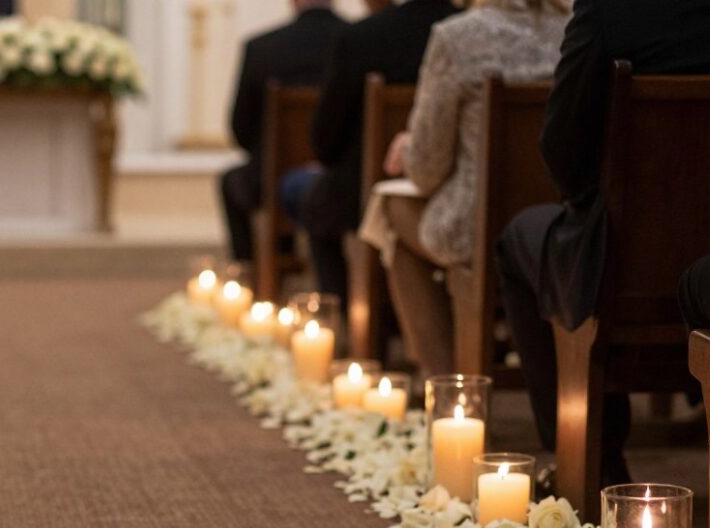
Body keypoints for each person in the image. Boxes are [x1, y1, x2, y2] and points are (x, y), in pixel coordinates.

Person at [495, 0, 710, 486]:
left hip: (623, 274)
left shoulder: (609, 12)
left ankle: (590, 465)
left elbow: (562, 155)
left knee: (517, 240)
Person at [360, 0, 568, 377]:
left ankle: (444, 384)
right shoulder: (575, 31)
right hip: (562, 223)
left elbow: (426, 169)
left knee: (389, 209)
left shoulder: (458, 38)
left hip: (477, 230)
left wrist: (407, 147)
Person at [280, 0, 460, 309]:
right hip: (456, 185)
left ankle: (345, 317)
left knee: (316, 200)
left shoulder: (361, 38)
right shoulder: (468, 32)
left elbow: (325, 138)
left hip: (368, 185)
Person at [220, 0, 347, 263]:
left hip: (270, 181)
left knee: (231, 182)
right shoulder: (357, 41)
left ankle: (251, 277)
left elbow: (241, 130)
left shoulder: (262, 48)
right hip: (338, 176)